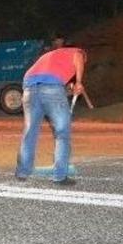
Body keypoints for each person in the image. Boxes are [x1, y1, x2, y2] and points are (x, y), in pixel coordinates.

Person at [15, 46, 87, 184]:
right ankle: (59, 176)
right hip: (52, 87)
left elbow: (49, 83)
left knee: (30, 132)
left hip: (29, 88)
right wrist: (78, 82)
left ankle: (22, 172)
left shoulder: (51, 55)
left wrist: (70, 88)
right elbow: (77, 58)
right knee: (62, 133)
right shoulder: (77, 52)